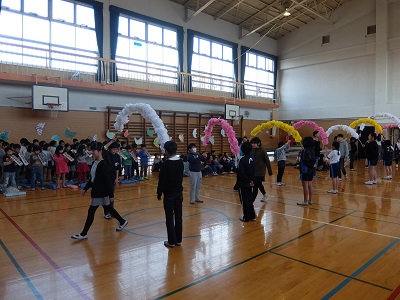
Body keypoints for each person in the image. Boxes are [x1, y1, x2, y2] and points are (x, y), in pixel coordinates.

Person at [71, 142, 128, 240]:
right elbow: (92, 178)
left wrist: (111, 195)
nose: (92, 152)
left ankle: (84, 234)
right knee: (108, 208)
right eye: (91, 150)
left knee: (91, 212)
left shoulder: (103, 164)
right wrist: (85, 188)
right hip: (98, 191)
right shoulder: (95, 162)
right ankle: (122, 221)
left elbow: (108, 181)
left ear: (100, 151)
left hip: (101, 192)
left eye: (94, 151)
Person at [157, 141, 184, 248]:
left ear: (167, 151)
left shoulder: (166, 164)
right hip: (179, 193)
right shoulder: (180, 162)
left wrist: (159, 193)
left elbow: (162, 181)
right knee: (178, 217)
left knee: (169, 218)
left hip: (169, 194)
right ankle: (178, 240)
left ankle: (171, 241)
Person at [236, 142, 256, 222]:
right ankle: (252, 216)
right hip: (250, 182)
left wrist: (247, 180)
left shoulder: (242, 159)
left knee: (244, 200)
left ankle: (246, 217)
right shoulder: (252, 158)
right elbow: (254, 171)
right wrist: (252, 180)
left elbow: (241, 172)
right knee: (250, 199)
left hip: (243, 183)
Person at [250, 137, 272, 202]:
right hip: (254, 172)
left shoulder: (262, 151)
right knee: (258, 184)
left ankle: (251, 201)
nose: (253, 144)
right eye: (252, 143)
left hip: (260, 172)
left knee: (255, 186)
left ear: (259, 143)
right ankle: (265, 195)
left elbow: (267, 161)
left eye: (254, 143)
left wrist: (269, 170)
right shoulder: (252, 150)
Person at [104, 142, 121, 219]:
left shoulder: (117, 156)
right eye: (113, 149)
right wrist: (111, 141)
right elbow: (103, 148)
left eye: (116, 149)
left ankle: (112, 211)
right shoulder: (106, 155)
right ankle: (106, 212)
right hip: (105, 178)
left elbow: (117, 169)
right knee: (106, 196)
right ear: (109, 149)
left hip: (113, 178)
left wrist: (117, 178)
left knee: (111, 196)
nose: (114, 151)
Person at [297, 137, 316, 206]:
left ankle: (305, 201)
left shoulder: (305, 151)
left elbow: (305, 161)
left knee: (305, 186)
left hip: (305, 170)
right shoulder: (312, 150)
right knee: (310, 185)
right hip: (311, 170)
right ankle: (310, 200)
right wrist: (312, 165)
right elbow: (313, 160)